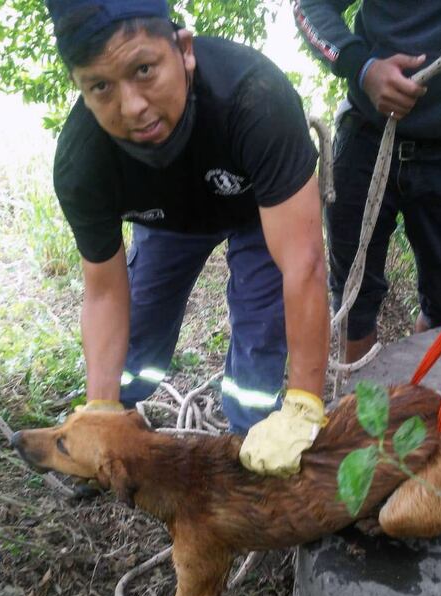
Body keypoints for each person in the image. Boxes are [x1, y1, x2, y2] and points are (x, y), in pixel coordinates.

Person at [46, 0, 330, 477]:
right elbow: (104, 292)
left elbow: (303, 264)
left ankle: (253, 442)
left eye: (144, 69)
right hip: (167, 223)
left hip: (260, 215)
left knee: (261, 335)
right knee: (141, 328)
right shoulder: (83, 164)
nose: (132, 107)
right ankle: (111, 432)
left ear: (184, 49)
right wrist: (100, 408)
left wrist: (305, 404)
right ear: (79, 88)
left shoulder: (254, 98)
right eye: (100, 86)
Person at [293, 0, 441, 362]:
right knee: (353, 302)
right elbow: (311, 6)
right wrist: (363, 69)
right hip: (366, 141)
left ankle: (420, 404)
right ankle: (363, 408)